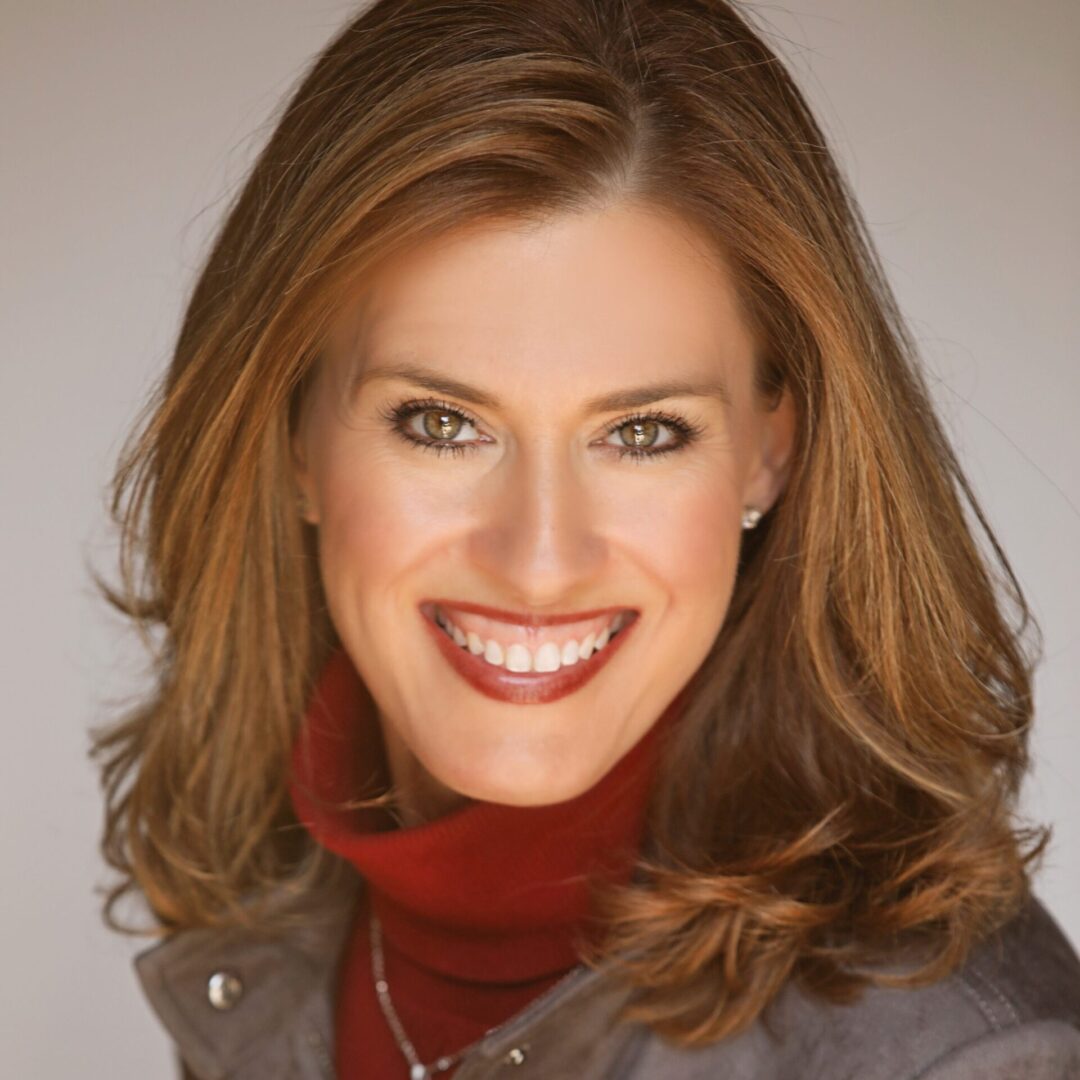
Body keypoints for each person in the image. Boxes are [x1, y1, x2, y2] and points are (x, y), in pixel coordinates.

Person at [91, 1, 1080, 1077]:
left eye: (643, 432)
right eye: (442, 423)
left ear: (770, 451)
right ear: (291, 437)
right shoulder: (264, 922)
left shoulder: (965, 1057)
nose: (541, 559)